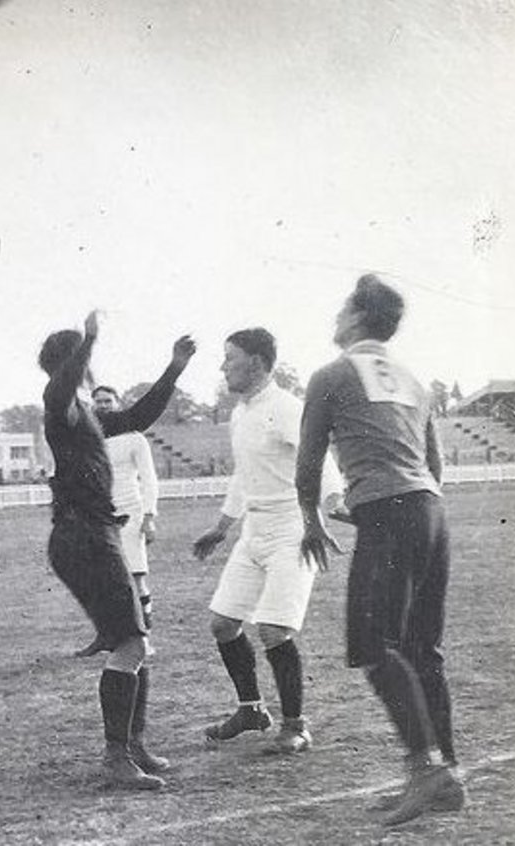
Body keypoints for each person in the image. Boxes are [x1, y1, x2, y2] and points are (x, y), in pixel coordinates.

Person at [297, 275, 465, 825]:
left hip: (390, 516)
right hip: (430, 512)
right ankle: (448, 774)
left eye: (342, 307)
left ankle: (426, 769)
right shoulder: (416, 381)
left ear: (356, 317)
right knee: (422, 650)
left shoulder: (330, 375)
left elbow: (308, 459)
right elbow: (433, 466)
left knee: (373, 645)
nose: (335, 316)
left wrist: (311, 515)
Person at [38, 311, 195, 790]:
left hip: (94, 535)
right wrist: (88, 339)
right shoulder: (59, 406)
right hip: (82, 536)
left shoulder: (86, 414)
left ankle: (134, 745)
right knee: (131, 642)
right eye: (83, 358)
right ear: (72, 363)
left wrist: (174, 369)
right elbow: (60, 386)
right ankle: (116, 757)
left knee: (136, 640)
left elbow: (137, 418)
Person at [192, 329, 344, 755]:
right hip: (253, 531)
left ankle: (296, 726)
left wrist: (331, 506)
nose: (223, 367)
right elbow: (245, 476)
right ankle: (251, 710)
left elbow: (320, 462)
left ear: (257, 362)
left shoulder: (288, 407)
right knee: (223, 624)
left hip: (293, 529)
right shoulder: (240, 413)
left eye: (230, 358)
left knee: (275, 629)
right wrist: (221, 528)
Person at [74, 384, 161, 658]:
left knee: (135, 577)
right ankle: (106, 636)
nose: (103, 406)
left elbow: (149, 479)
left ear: (118, 403)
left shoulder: (135, 438)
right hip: (100, 516)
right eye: (98, 402)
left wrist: (149, 516)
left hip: (131, 512)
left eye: (108, 401)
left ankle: (144, 638)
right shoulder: (90, 439)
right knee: (101, 580)